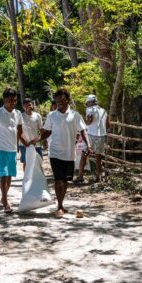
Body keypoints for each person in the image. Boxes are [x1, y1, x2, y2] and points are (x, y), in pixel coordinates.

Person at [39, 88, 91, 218]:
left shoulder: (75, 115)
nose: (60, 103)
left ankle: (61, 204)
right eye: (57, 101)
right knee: (58, 180)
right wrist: (36, 139)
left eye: (62, 100)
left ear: (67, 100)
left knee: (66, 180)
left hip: (69, 153)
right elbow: (47, 131)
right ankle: (60, 206)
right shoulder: (52, 116)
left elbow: (83, 130)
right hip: (55, 152)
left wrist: (88, 145)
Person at [0, 88, 26, 214]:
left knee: (9, 176)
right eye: (10, 100)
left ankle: (3, 197)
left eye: (14, 101)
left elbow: (20, 132)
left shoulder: (18, 114)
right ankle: (6, 203)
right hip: (0, 149)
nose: (12, 103)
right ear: (4, 100)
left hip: (13, 149)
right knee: (3, 175)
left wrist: (26, 144)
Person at [75, 94, 109, 183]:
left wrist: (86, 122)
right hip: (101, 136)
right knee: (98, 158)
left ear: (90, 102)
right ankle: (98, 177)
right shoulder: (104, 111)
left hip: (90, 136)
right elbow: (108, 125)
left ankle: (80, 177)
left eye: (87, 103)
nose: (87, 105)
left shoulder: (89, 110)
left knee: (84, 156)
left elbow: (89, 122)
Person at [19, 98, 43, 171]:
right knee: (26, 162)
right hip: (24, 144)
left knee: (38, 162)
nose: (28, 107)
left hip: (36, 144)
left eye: (29, 105)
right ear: (23, 106)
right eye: (25, 105)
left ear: (32, 105)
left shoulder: (37, 116)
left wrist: (44, 140)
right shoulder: (20, 116)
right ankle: (26, 179)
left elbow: (41, 129)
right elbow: (18, 131)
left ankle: (39, 180)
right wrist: (24, 142)